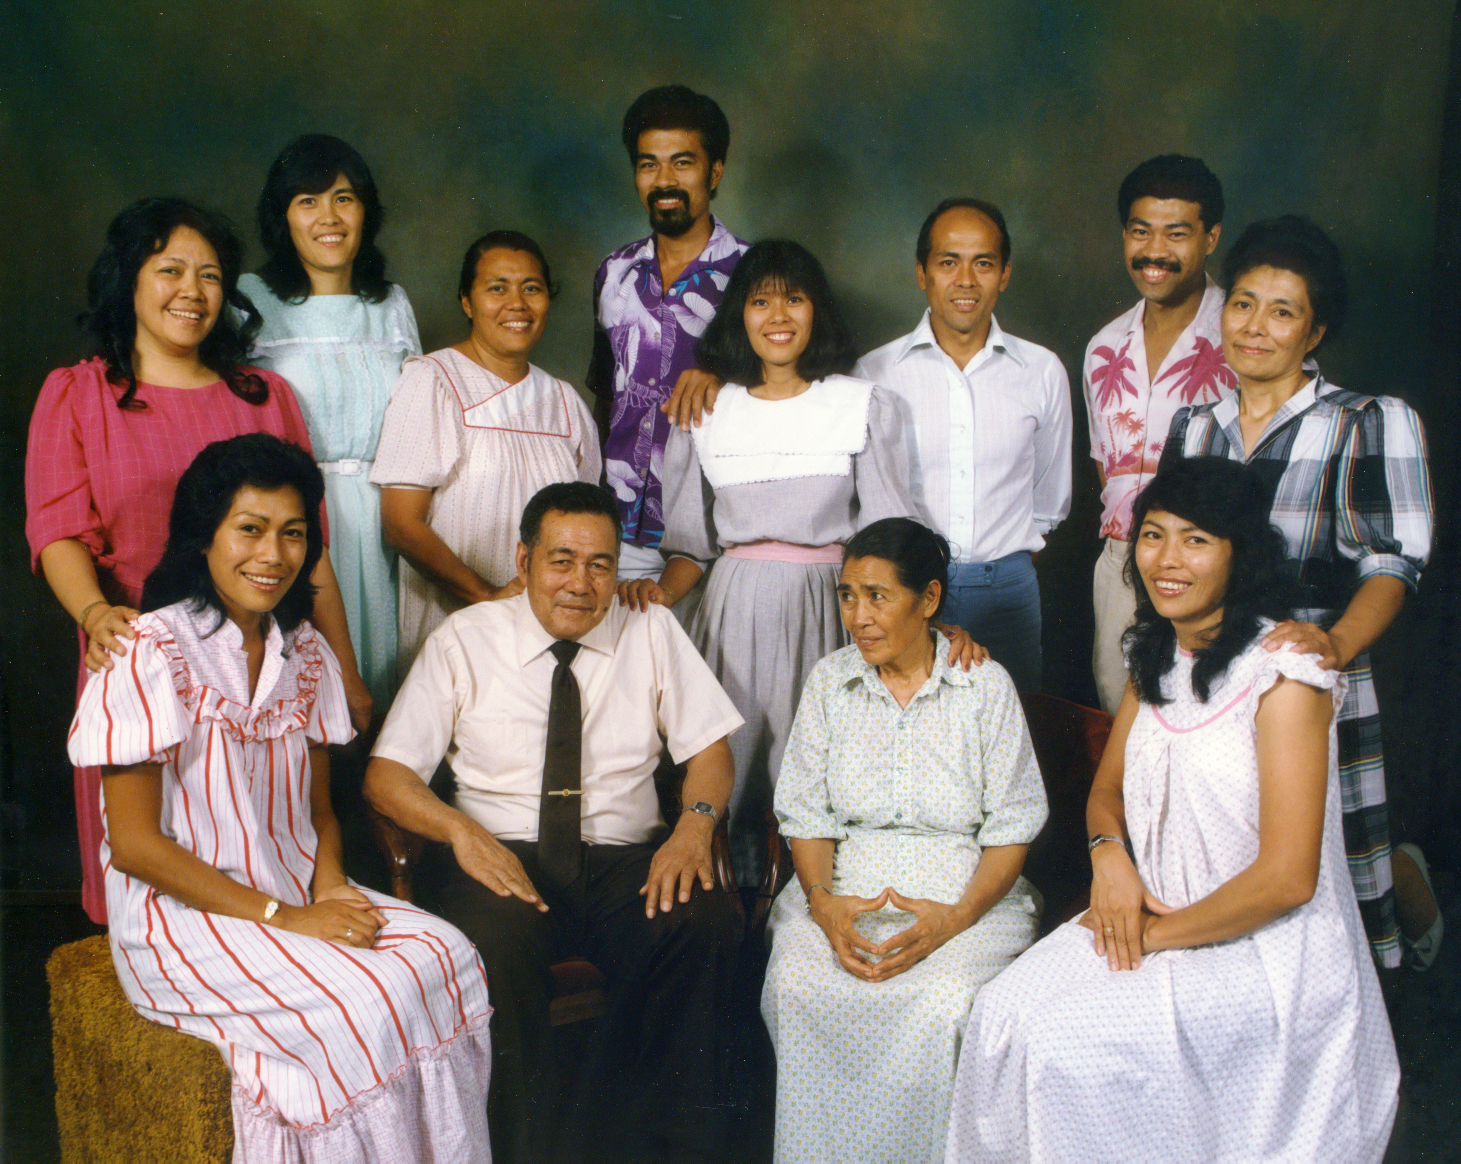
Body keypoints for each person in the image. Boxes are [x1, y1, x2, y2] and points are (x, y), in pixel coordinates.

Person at [945, 456, 1399, 1162]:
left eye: (1195, 540)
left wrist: (1153, 941)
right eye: (1153, 535)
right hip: (1144, 905)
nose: (1166, 559)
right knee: (1000, 1016)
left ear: (1238, 555)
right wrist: (1110, 858)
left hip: (1259, 948)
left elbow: (1287, 881)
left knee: (1066, 1048)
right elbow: (1106, 790)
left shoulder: (1284, 677)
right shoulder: (1153, 655)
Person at [68, 434, 492, 1161]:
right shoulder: (147, 650)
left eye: (293, 534)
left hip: (295, 884)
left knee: (448, 952)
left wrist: (329, 886)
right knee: (363, 1003)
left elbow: (319, 812)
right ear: (205, 538)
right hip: (182, 919)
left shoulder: (308, 653)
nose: (273, 555)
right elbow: (135, 847)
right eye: (250, 529)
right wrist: (291, 918)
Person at [364, 481, 744, 1163]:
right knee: (487, 951)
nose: (580, 582)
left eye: (600, 564)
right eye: (561, 560)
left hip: (627, 860)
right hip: (498, 859)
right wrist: (461, 833)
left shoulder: (650, 627)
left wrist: (694, 825)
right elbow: (386, 776)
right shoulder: (465, 639)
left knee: (701, 922)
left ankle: (663, 1148)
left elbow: (710, 749)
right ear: (523, 560)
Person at [25, 197, 369, 925]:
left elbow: (311, 556)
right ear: (129, 279)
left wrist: (344, 666)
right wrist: (93, 613)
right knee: (153, 854)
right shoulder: (79, 395)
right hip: (140, 651)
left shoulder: (264, 397)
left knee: (273, 839)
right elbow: (58, 532)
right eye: (170, 270)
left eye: (210, 274)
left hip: (260, 666)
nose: (192, 290)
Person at [627, 239, 968, 887]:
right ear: (740, 316)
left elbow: (894, 535)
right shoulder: (707, 411)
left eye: (794, 298)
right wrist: (653, 596)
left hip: (833, 604)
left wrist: (931, 620)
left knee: (820, 768)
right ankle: (735, 913)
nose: (777, 315)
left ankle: (808, 909)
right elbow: (690, 548)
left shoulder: (858, 405)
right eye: (759, 301)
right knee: (734, 762)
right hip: (733, 612)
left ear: (817, 313)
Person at [1162, 216, 1438, 971]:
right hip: (1210, 668)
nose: (1254, 327)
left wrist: (1335, 643)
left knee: (1331, 856)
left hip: (1305, 664)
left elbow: (1394, 562)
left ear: (1313, 333)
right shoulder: (1193, 426)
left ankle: (1397, 925)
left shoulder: (1364, 422)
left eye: (1281, 312)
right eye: (1243, 303)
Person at [761, 517, 1047, 1163]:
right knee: (796, 984)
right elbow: (806, 815)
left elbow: (1011, 828)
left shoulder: (982, 686)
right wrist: (822, 904)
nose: (857, 616)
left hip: (968, 898)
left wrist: (954, 920)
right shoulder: (830, 683)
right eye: (846, 595)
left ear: (929, 600)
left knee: (944, 1003)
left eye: (878, 596)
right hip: (843, 890)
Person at [854, 198, 1072, 694]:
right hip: (907, 592)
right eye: (948, 262)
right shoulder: (874, 374)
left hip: (1009, 594)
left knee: (1012, 740)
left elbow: (1049, 501)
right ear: (921, 273)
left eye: (984, 263)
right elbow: (868, 498)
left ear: (1005, 274)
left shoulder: (1041, 371)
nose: (966, 280)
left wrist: (996, 569)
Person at [242, 133, 422, 709]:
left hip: (387, 519)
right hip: (293, 520)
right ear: (282, 217)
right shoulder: (249, 300)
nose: (329, 217)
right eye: (307, 201)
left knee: (390, 691)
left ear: (365, 211)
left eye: (344, 198)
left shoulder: (391, 304)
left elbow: (422, 420)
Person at [372, 231, 600, 672]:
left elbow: (585, 531)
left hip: (547, 634)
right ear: (466, 301)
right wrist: (488, 596)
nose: (517, 303)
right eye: (497, 287)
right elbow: (401, 524)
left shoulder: (565, 403)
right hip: (458, 624)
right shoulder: (434, 381)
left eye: (531, 288)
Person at [1083, 155, 1236, 714]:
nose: (1155, 252)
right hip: (1124, 561)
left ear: (1211, 237)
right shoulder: (1104, 348)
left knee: (1209, 714)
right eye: (1140, 232)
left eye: (1177, 234)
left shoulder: (1241, 334)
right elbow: (1108, 464)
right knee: (1118, 708)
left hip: (1212, 567)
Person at [588, 84, 748, 585]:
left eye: (683, 162)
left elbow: (792, 393)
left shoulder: (755, 276)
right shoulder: (613, 273)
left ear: (714, 171)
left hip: (717, 530)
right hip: (622, 529)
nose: (664, 181)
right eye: (648, 164)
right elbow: (604, 395)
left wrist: (724, 377)